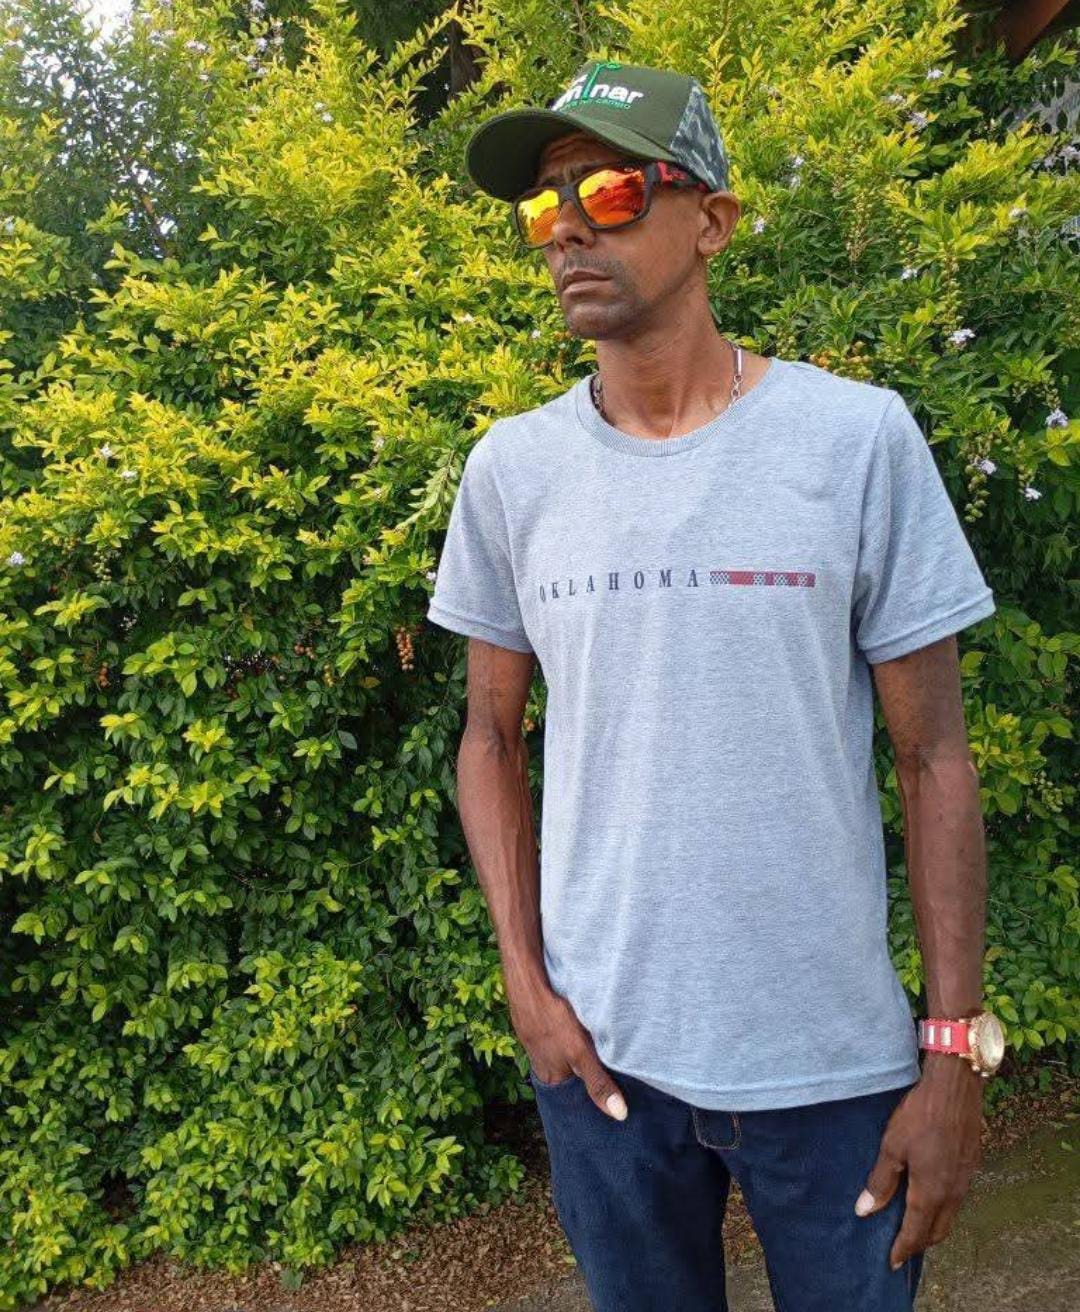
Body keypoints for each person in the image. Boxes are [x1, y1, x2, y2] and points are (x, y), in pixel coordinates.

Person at [426, 59, 1006, 1312]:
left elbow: (935, 757)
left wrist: (954, 1052)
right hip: (603, 1067)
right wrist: (526, 985)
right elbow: (488, 738)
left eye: (610, 191)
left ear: (713, 220)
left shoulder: (856, 441)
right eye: (545, 205)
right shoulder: (513, 472)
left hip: (834, 1069)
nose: (567, 228)